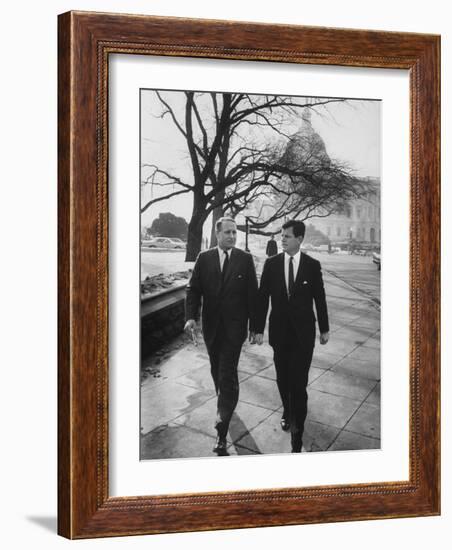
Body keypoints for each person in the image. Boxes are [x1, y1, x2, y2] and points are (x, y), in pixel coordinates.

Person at [185, 217, 258, 455]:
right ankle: (225, 401)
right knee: (217, 371)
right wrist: (191, 317)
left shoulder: (245, 260)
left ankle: (221, 430)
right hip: (211, 328)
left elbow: (252, 295)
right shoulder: (204, 258)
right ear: (217, 234)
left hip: (235, 330)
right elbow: (193, 289)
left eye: (235, 233)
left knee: (227, 374)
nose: (232, 237)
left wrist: (256, 327)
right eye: (227, 232)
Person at [254, 220, 329, 453]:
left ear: (300, 239)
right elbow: (262, 297)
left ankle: (298, 433)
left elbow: (320, 298)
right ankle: (287, 409)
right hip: (279, 335)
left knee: (299, 384)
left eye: (287, 236)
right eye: (282, 235)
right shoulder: (272, 264)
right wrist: (257, 329)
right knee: (282, 380)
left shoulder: (312, 265)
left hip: (303, 336)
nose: (282, 239)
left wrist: (324, 329)